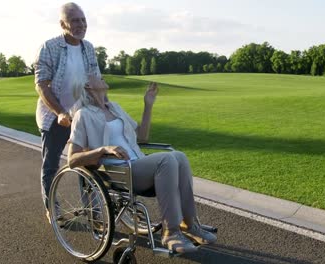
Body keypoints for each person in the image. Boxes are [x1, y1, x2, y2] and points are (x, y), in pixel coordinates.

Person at [67, 74, 217, 253]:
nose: (102, 76)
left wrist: (148, 104)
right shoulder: (82, 115)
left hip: (137, 164)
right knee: (167, 159)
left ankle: (189, 224)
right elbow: (72, 159)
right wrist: (102, 149)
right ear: (88, 87)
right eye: (97, 76)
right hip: (119, 172)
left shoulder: (114, 107)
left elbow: (143, 137)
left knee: (179, 156)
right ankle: (171, 232)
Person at [34, 2, 101, 223]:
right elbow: (42, 85)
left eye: (83, 20)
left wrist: (103, 107)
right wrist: (60, 112)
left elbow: (95, 81)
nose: (81, 24)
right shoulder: (49, 47)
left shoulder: (88, 48)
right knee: (51, 165)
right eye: (75, 20)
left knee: (87, 163)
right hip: (55, 118)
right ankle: (51, 207)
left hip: (82, 115)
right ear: (63, 24)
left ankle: (94, 210)